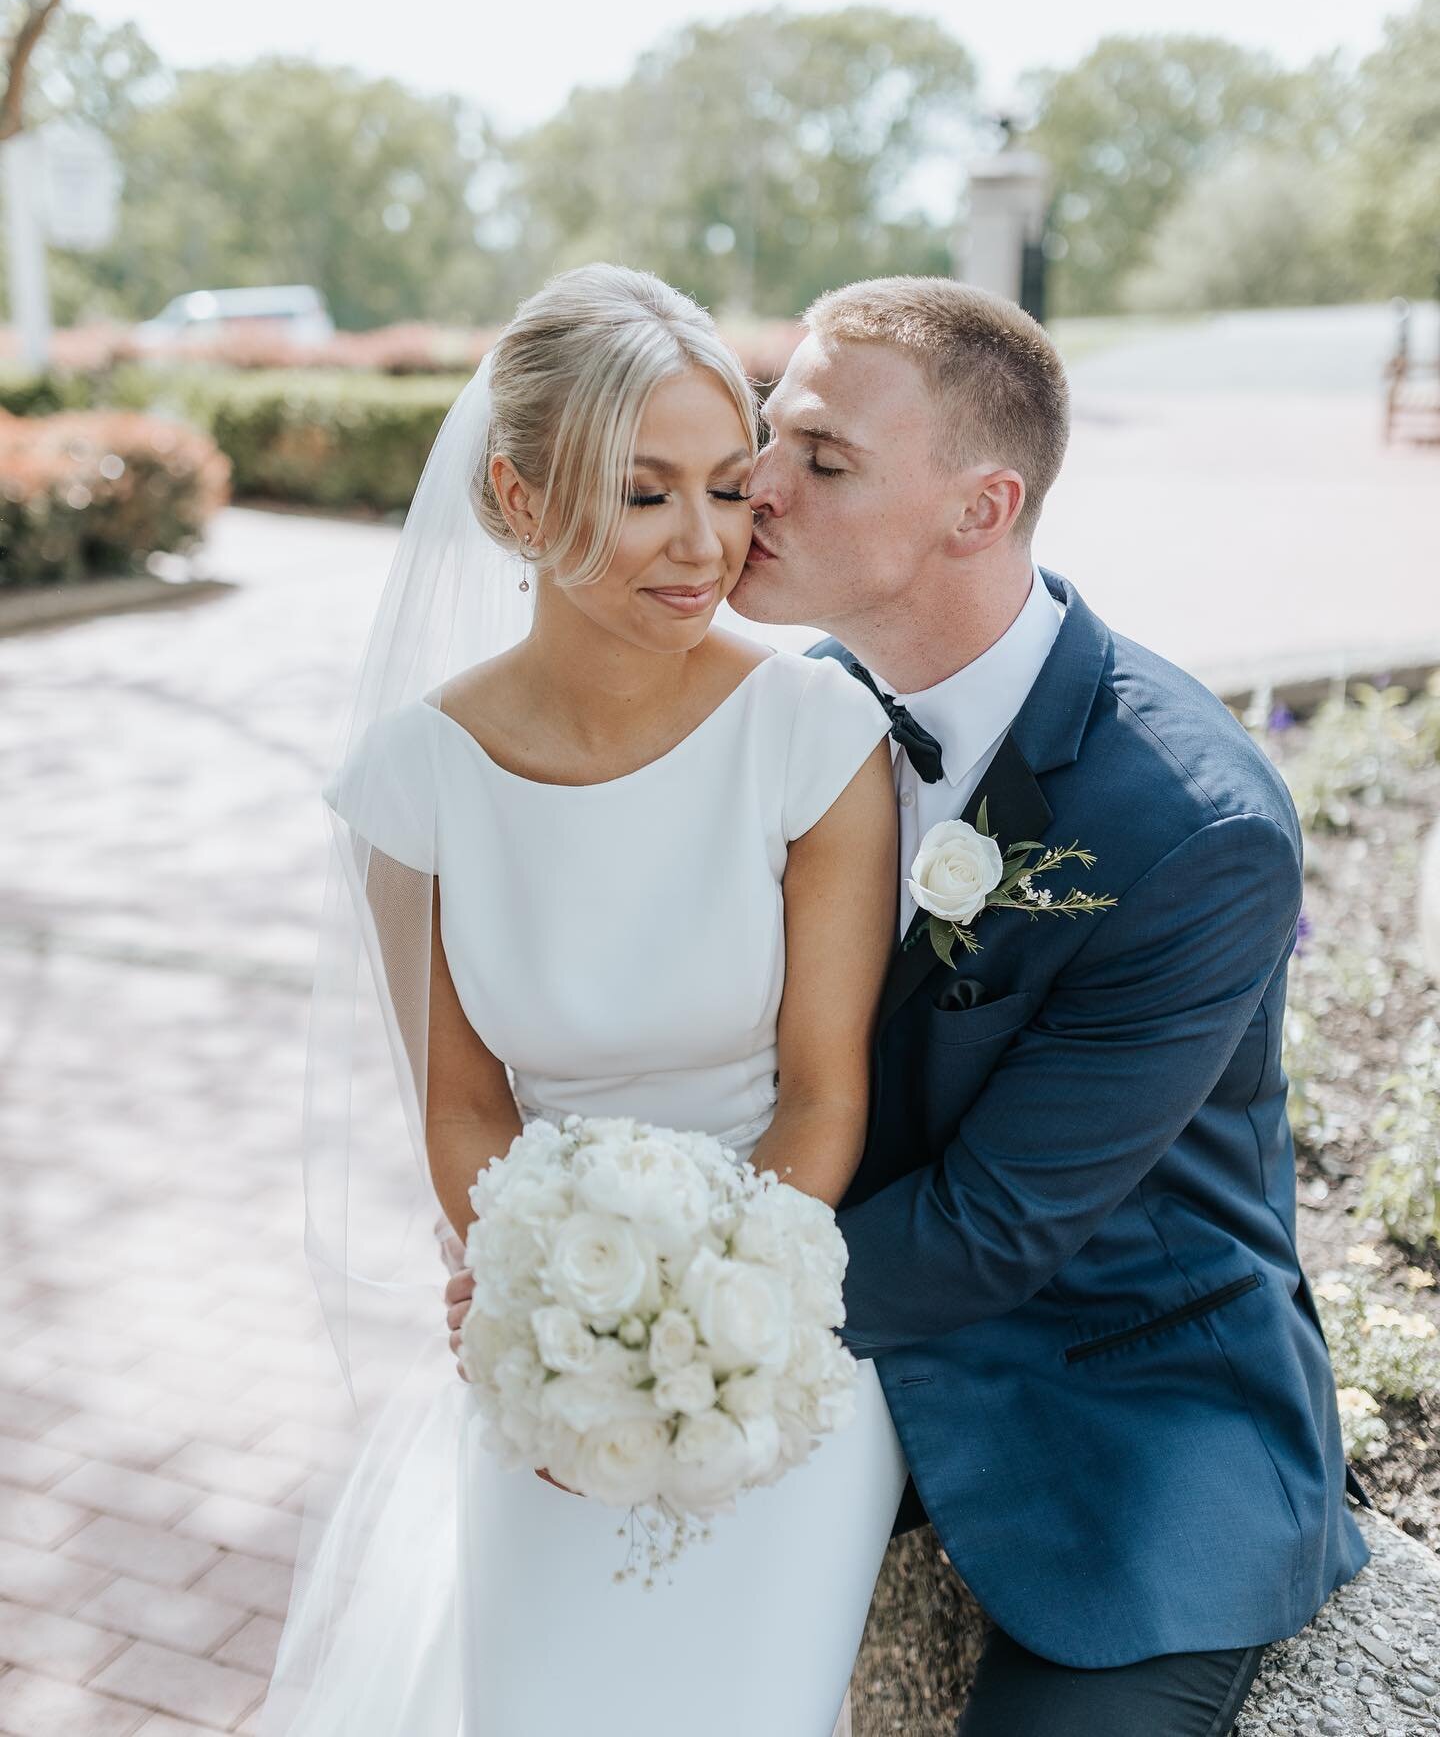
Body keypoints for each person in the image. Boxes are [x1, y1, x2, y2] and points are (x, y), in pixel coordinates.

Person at [444, 276, 1373, 1736]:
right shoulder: (791, 711)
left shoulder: (1191, 827)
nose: (755, 484)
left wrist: (650, 1341)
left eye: (822, 460)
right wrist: (562, 1270)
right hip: (816, 1338)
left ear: (979, 510)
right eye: (772, 433)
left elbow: (997, 1228)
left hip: (1118, 1402)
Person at [260, 261, 911, 1737]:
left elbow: (825, 1090)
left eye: (728, 487)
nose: (705, 546)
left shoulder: (810, 731)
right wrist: (555, 1329)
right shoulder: (412, 782)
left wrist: (707, 1330)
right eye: (642, 495)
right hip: (550, 1351)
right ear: (518, 499)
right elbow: (463, 1099)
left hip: (783, 1342)